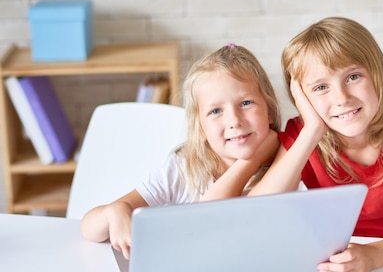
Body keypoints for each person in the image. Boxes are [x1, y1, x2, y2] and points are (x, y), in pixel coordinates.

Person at [249, 17, 383, 272]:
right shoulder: (302, 135)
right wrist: (312, 130)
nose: (341, 98)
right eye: (320, 87)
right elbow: (257, 213)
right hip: (342, 269)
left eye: (353, 76)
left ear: (377, 74)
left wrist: (372, 256)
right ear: (301, 97)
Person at [81, 44, 282, 259]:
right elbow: (88, 228)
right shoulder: (183, 168)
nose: (234, 120)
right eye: (216, 111)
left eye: (245, 103)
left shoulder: (287, 163)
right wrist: (116, 211)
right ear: (200, 128)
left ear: (269, 111)